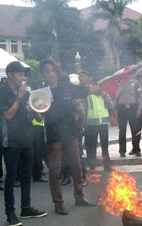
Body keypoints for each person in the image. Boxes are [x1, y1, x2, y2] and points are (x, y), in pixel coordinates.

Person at [0, 61, 47, 226]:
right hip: (11, 141)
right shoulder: (0, 92)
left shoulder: (26, 93)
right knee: (11, 177)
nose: (24, 78)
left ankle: (26, 208)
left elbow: (30, 117)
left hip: (26, 139)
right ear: (11, 75)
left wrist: (35, 112)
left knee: (26, 175)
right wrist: (19, 97)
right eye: (20, 74)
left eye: (24, 75)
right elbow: (8, 116)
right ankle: (10, 213)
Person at [39, 58, 95, 216]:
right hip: (53, 135)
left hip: (70, 132)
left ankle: (79, 197)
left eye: (52, 70)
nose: (49, 74)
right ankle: (58, 203)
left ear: (57, 71)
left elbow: (85, 91)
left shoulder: (67, 87)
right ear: (43, 74)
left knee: (76, 166)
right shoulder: (42, 92)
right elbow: (36, 112)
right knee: (55, 170)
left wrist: (79, 81)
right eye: (46, 71)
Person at [84, 81, 112, 171]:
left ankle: (106, 164)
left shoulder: (104, 95)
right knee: (92, 145)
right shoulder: (88, 96)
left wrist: (104, 95)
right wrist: (84, 123)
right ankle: (92, 165)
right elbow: (84, 109)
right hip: (91, 124)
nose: (97, 87)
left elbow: (111, 105)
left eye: (98, 85)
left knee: (105, 145)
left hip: (103, 123)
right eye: (95, 85)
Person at [116, 78, 142, 157]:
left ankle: (136, 149)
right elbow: (115, 95)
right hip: (121, 108)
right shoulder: (118, 82)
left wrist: (139, 108)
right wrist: (114, 109)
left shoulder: (136, 82)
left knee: (135, 130)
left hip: (133, 107)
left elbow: (139, 96)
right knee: (122, 130)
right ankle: (122, 151)